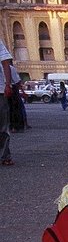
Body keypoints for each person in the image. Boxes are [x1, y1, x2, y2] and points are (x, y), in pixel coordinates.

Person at [0, 37, 13, 165]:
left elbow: (5, 62)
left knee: (3, 125)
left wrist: (7, 84)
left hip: (0, 90)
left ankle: (4, 156)